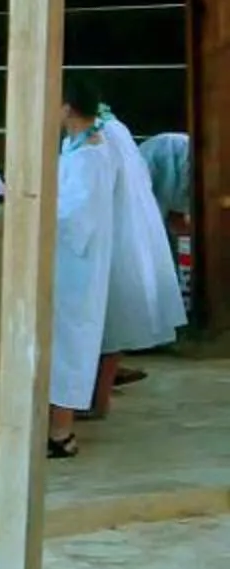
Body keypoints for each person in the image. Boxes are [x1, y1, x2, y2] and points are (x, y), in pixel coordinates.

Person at [93, 97, 186, 401]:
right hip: (138, 209)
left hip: (125, 223)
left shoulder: (104, 137)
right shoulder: (111, 138)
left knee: (114, 314)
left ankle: (101, 386)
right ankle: (103, 384)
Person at [48, 81, 117, 460]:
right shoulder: (75, 147)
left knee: (70, 343)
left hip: (78, 263)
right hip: (65, 260)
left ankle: (63, 429)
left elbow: (75, 217)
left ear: (67, 108)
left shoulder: (91, 155)